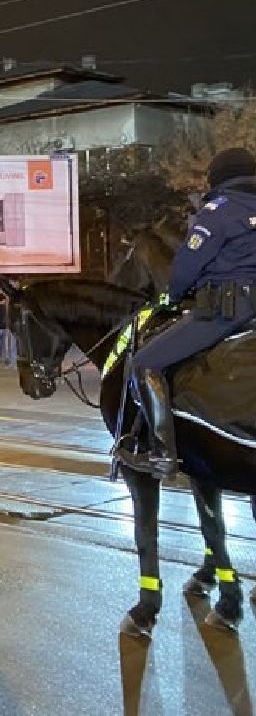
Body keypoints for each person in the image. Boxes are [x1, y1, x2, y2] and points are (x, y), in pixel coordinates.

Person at [115, 147, 256, 479]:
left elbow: (187, 267)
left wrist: (173, 296)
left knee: (144, 364)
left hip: (227, 309)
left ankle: (162, 454)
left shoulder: (217, 210)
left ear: (218, 177)